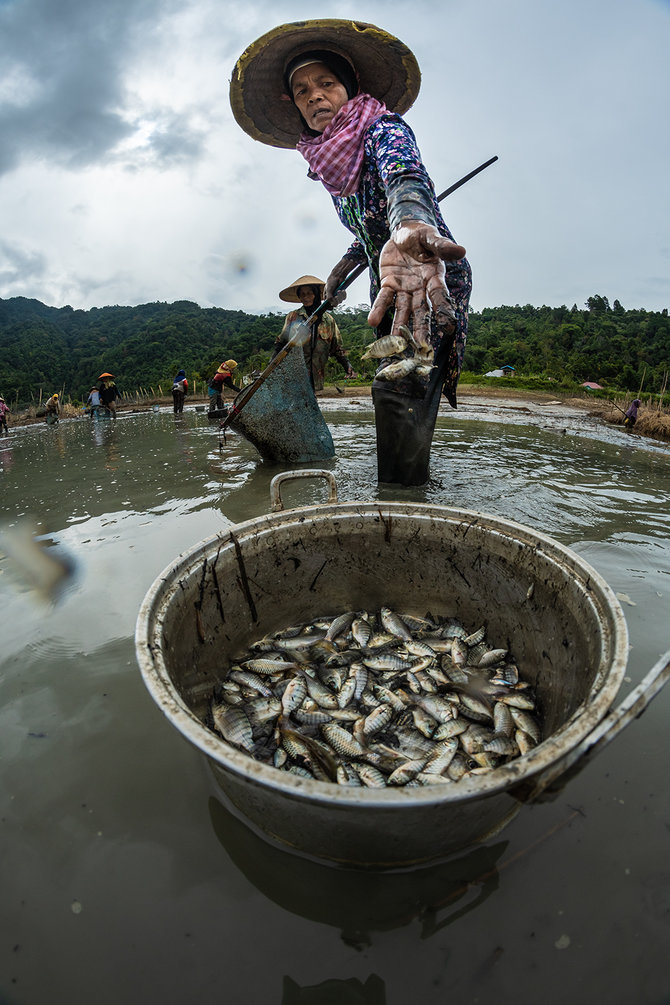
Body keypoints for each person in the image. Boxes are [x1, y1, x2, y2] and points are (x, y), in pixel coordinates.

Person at [230, 19, 472, 485]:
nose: (314, 96)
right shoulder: (332, 167)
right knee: (395, 386)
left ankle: (403, 496)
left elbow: (405, 178)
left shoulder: (383, 128)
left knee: (404, 385)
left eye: (326, 83)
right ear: (294, 104)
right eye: (302, 91)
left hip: (425, 275)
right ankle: (407, 481)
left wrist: (410, 221)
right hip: (389, 281)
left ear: (349, 88)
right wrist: (342, 269)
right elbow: (367, 229)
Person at [275, 274, 355, 391]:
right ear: (299, 297)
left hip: (316, 375)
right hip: (295, 375)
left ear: (316, 294)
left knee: (311, 402)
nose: (306, 297)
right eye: (302, 294)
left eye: (309, 293)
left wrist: (347, 366)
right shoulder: (293, 317)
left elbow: (337, 348)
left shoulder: (329, 320)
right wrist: (272, 365)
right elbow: (280, 343)